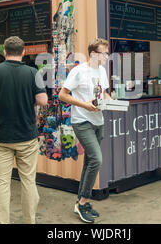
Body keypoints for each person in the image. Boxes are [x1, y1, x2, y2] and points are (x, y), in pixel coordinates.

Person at [0, 36, 48, 224]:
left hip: (1, 137)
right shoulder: (33, 72)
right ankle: (29, 221)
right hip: (27, 136)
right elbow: (43, 101)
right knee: (28, 181)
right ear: (23, 52)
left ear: (5, 52)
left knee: (2, 183)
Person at [59, 38, 111, 224]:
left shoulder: (102, 71)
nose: (107, 56)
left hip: (99, 121)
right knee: (97, 159)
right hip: (82, 120)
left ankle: (81, 201)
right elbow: (62, 94)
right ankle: (83, 202)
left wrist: (111, 101)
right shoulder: (79, 71)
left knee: (90, 161)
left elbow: (103, 93)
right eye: (104, 53)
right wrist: (84, 105)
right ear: (93, 54)